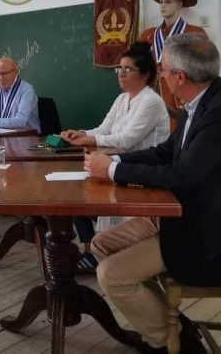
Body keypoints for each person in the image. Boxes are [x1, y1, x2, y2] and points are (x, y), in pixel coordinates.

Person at [84, 35, 221, 353]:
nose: (162, 75)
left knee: (111, 275)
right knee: (101, 243)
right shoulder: (204, 101)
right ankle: (173, 325)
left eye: (164, 69)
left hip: (219, 236)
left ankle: (174, 343)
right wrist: (114, 162)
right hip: (196, 215)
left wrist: (112, 171)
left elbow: (182, 176)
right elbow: (165, 153)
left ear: (180, 77)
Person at [60, 42, 169, 272]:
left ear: (145, 74)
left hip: (140, 174)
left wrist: (89, 140)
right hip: (115, 167)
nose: (121, 74)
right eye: (119, 68)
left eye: (128, 69)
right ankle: (90, 250)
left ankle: (98, 252)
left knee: (86, 196)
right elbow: (104, 129)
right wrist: (82, 133)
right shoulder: (122, 99)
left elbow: (126, 139)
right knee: (75, 196)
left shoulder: (151, 101)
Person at [139, 0, 207, 116]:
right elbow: (139, 65)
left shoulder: (195, 33)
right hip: (150, 95)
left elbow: (202, 69)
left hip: (179, 96)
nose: (163, 5)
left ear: (179, 4)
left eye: (168, 2)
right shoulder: (147, 34)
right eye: (161, 2)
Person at [0, 56, 40, 133]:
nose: (1, 78)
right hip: (3, 134)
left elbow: (21, 120)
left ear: (15, 72)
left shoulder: (27, 90)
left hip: (27, 136)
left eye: (4, 73)